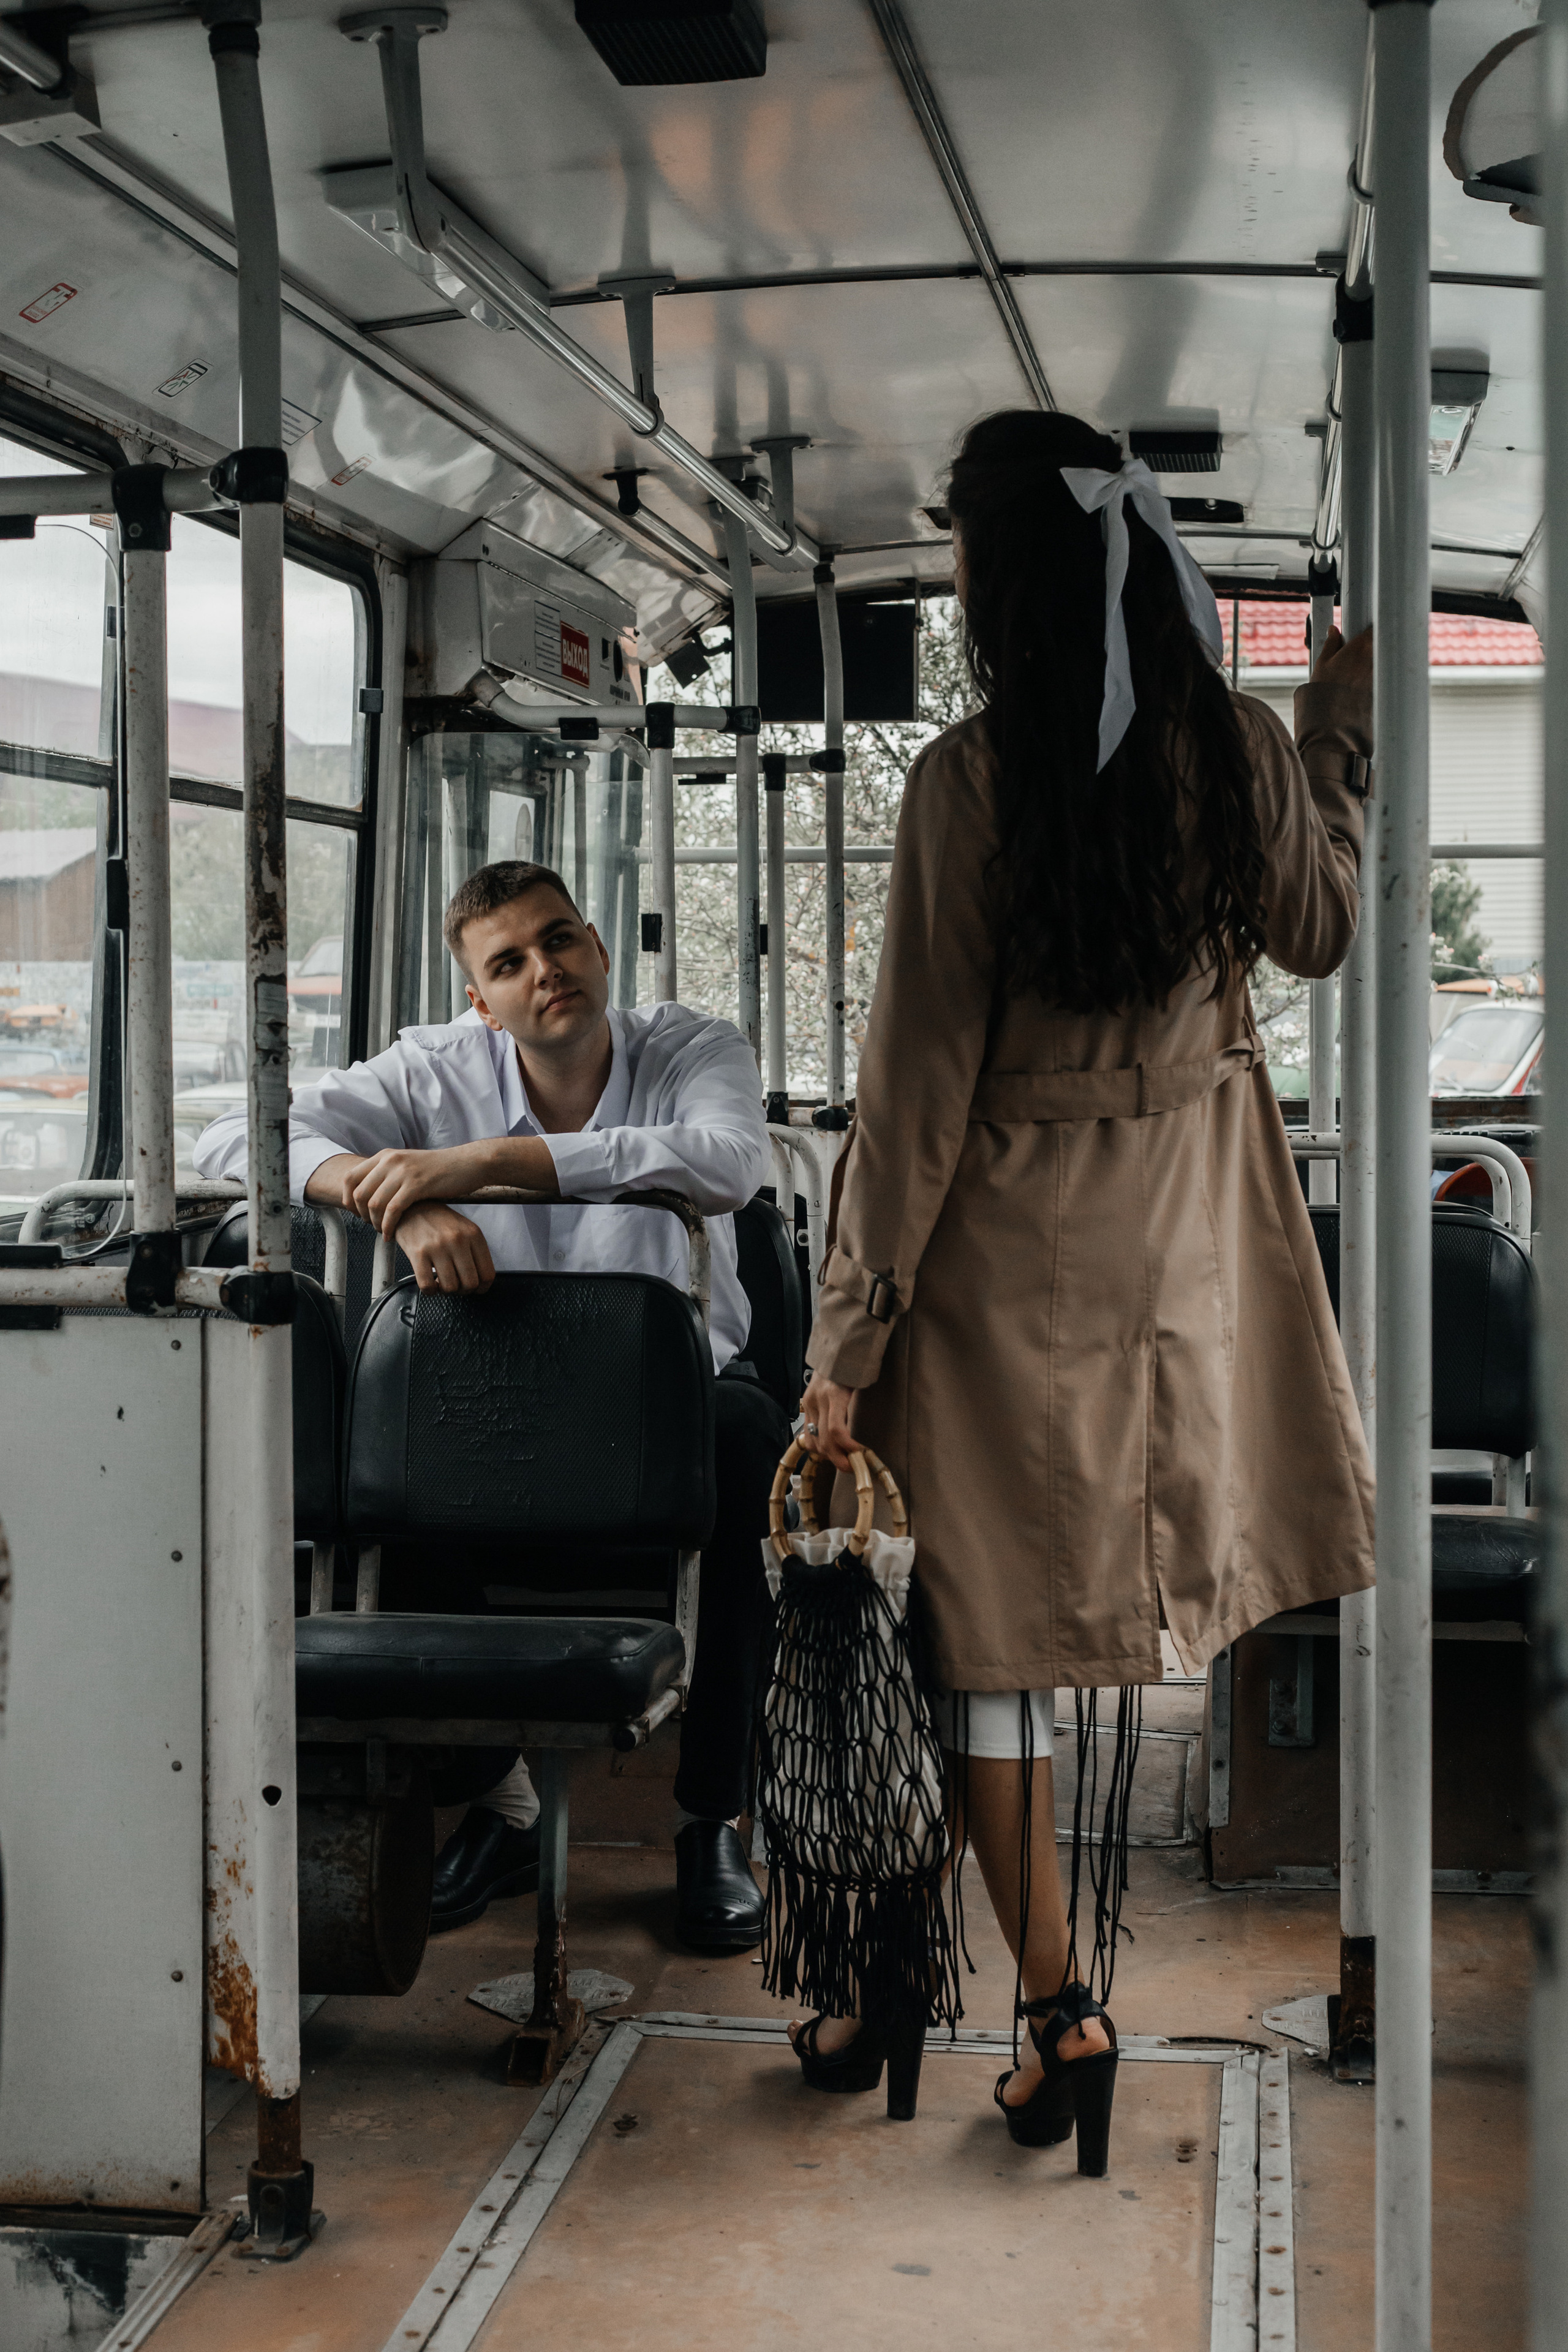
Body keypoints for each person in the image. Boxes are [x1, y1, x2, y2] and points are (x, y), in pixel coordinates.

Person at [791, 410, 1375, 2166]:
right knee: (1040, 1622)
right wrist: (1334, 740)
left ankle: (1051, 2006)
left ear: (1001, 584)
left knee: (972, 1647)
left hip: (1000, 1272)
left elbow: (915, 1092)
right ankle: (954, 1987)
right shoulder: (1240, 746)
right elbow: (1324, 932)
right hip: (1185, 1255)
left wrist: (844, 1338)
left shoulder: (970, 783)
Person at [194, 859, 791, 1953]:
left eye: (559, 940)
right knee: (377, 1459)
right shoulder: (433, 1066)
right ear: (480, 998)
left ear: (598, 948)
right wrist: (399, 1205)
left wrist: (477, 1165)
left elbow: (726, 1162)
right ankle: (503, 1801)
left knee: (752, 1444)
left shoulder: (691, 1046)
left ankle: (712, 1818)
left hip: (671, 1403)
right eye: (508, 963)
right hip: (496, 1405)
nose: (544, 971)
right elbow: (238, 1133)